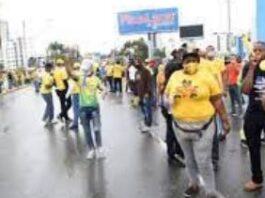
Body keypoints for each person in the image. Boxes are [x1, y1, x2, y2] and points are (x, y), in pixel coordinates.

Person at [165, 53, 230, 198]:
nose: (191, 64)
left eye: (195, 61)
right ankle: (193, 184)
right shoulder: (175, 76)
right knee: (189, 158)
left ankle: (210, 191)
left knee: (203, 159)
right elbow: (166, 96)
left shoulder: (207, 76)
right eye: (188, 61)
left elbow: (217, 100)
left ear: (199, 63)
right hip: (180, 126)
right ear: (182, 63)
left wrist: (225, 120)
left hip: (204, 126)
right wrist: (168, 101)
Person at [67, 59, 107, 159]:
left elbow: (103, 88)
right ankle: (91, 150)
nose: (84, 71)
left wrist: (104, 92)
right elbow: (71, 75)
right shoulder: (80, 79)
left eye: (86, 69)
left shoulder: (96, 79)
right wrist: (68, 63)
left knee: (97, 129)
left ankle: (99, 148)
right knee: (87, 131)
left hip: (94, 108)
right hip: (83, 109)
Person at [241, 42, 265, 192]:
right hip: (254, 112)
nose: (257, 53)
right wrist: (251, 68)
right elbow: (244, 90)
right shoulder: (248, 67)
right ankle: (257, 179)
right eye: (254, 50)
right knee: (253, 146)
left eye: (260, 50)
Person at [158, 49, 185, 165]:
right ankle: (174, 154)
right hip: (172, 107)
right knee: (174, 130)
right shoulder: (176, 71)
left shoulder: (169, 67)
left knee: (171, 130)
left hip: (167, 105)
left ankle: (175, 152)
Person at [135, 58, 153, 132]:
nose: (136, 65)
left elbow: (149, 82)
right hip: (140, 94)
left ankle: (148, 125)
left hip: (146, 94)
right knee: (143, 109)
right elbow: (136, 83)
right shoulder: (137, 72)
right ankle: (146, 123)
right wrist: (136, 93)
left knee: (147, 110)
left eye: (137, 63)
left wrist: (148, 92)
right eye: (135, 64)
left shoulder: (146, 71)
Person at [69, 62, 81, 130]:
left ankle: (75, 123)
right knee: (81, 108)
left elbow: (71, 84)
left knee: (75, 109)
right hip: (81, 93)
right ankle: (82, 121)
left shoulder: (73, 74)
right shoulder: (82, 73)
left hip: (74, 93)